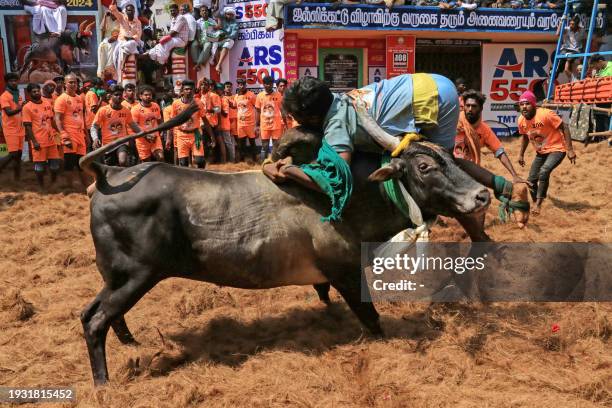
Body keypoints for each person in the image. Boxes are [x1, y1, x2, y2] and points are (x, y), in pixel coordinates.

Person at [263, 74, 528, 227]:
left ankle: (497, 206)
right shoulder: (339, 98)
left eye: (297, 117)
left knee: (446, 167)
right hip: (427, 82)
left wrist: (287, 171)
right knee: (445, 163)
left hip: (431, 100)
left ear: (310, 118)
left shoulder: (335, 126)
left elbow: (337, 183)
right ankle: (503, 186)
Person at [517, 91, 576, 215]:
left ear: (534, 105)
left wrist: (570, 149)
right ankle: (536, 203)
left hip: (557, 149)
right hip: (541, 153)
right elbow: (524, 137)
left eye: (527, 104)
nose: (524, 107)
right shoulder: (521, 120)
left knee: (544, 171)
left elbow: (564, 127)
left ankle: (538, 204)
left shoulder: (546, 114)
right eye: (521, 104)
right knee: (531, 181)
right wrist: (521, 154)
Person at [454, 90, 523, 181]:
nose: (470, 109)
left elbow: (499, 151)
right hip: (452, 167)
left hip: (471, 170)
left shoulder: (484, 130)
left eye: (474, 106)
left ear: (481, 108)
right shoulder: (454, 121)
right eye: (467, 105)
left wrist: (514, 175)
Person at [92, 84, 141, 167]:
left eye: (120, 95)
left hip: (122, 142)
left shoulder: (126, 111)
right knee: (112, 168)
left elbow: (133, 125)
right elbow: (94, 127)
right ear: (111, 96)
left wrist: (144, 134)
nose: (119, 97)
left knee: (122, 161)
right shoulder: (103, 110)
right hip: (108, 145)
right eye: (116, 95)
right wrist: (95, 138)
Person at [22, 83, 60, 188]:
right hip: (39, 141)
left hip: (51, 140)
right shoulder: (27, 107)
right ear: (29, 94)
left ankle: (53, 184)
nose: (37, 93)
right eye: (34, 91)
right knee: (40, 166)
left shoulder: (47, 103)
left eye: (38, 90)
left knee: (55, 165)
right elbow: (28, 126)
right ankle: (41, 186)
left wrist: (59, 132)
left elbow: (52, 121)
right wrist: (34, 142)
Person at [54, 73, 87, 188]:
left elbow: (82, 117)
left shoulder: (79, 98)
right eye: (70, 82)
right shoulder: (61, 99)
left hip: (80, 134)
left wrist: (86, 135)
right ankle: (69, 188)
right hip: (69, 134)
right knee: (70, 162)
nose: (73, 84)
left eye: (75, 82)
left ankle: (85, 186)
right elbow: (57, 119)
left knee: (82, 163)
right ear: (65, 84)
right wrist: (64, 135)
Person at [171, 80, 213, 168]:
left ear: (194, 90)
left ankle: (202, 177)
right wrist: (169, 137)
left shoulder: (198, 103)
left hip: (196, 135)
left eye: (191, 89)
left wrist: (212, 136)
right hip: (181, 135)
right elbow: (173, 121)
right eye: (186, 89)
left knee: (199, 160)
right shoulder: (175, 104)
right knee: (183, 163)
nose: (188, 91)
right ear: (182, 90)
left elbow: (205, 120)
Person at [109, 0, 142, 83]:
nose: (130, 12)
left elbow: (138, 35)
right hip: (121, 42)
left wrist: (130, 38)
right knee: (112, 54)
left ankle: (124, 64)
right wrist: (113, 1)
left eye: (131, 10)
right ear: (125, 11)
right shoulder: (122, 17)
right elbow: (114, 10)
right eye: (128, 10)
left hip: (133, 42)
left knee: (131, 44)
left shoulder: (138, 22)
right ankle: (116, 75)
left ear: (134, 11)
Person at [0, 72, 25, 181]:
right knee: (13, 154)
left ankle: (17, 178)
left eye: (15, 80)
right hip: (10, 129)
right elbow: (9, 112)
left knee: (18, 156)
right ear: (7, 82)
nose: (14, 83)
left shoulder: (17, 95)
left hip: (20, 128)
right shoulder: (4, 96)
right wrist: (21, 108)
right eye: (11, 81)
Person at [131, 85, 164, 162]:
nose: (148, 96)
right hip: (142, 140)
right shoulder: (135, 109)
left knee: (161, 158)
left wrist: (160, 131)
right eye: (146, 95)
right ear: (140, 96)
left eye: (150, 95)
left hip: (155, 138)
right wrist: (145, 136)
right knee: (146, 163)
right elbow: (134, 126)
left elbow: (159, 120)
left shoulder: (156, 106)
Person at [256, 75, 284, 161]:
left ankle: (275, 162)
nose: (268, 85)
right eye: (266, 84)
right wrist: (257, 125)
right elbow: (257, 111)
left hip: (276, 124)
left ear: (273, 84)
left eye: (270, 84)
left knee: (276, 145)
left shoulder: (278, 95)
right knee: (264, 145)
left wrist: (285, 121)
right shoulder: (260, 96)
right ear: (263, 84)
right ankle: (263, 163)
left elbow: (282, 109)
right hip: (264, 125)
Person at [199, 79, 224, 161]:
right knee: (204, 144)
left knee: (215, 145)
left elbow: (218, 110)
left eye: (205, 85)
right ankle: (207, 163)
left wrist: (210, 110)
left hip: (212, 124)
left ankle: (221, 163)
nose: (203, 86)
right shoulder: (202, 96)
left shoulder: (214, 96)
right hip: (203, 124)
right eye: (201, 85)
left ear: (208, 87)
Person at [235, 78, 258, 162]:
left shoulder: (251, 95)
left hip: (250, 124)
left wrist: (257, 124)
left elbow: (257, 107)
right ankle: (242, 161)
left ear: (245, 85)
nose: (241, 86)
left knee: (252, 142)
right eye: (239, 84)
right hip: (240, 124)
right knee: (241, 144)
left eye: (242, 84)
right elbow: (235, 106)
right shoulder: (236, 96)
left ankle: (255, 160)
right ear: (237, 85)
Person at [212, 7, 238, 74]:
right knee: (215, 45)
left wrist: (224, 36)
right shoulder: (221, 20)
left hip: (228, 39)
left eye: (231, 14)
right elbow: (215, 14)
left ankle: (219, 64)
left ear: (233, 15)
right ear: (225, 14)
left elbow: (233, 35)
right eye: (228, 14)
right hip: (220, 39)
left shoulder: (235, 23)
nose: (229, 16)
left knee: (228, 43)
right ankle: (218, 65)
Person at [192, 6, 216, 71]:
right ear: (200, 13)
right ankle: (196, 62)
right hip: (201, 39)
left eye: (206, 10)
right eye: (202, 11)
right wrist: (199, 41)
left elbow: (216, 31)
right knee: (194, 44)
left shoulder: (212, 21)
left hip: (209, 40)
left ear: (208, 12)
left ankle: (198, 64)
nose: (204, 12)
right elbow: (198, 32)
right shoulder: (198, 22)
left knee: (208, 45)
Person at [216, 82, 235, 162]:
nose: (218, 91)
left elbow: (225, 114)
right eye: (217, 89)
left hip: (224, 125)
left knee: (228, 143)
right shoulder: (216, 98)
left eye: (220, 89)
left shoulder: (224, 99)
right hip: (217, 125)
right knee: (221, 144)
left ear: (222, 90)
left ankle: (232, 161)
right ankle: (223, 160)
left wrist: (217, 109)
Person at [223, 81, 239, 159]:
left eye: (230, 87)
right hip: (225, 121)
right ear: (224, 88)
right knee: (228, 141)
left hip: (234, 121)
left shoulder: (235, 96)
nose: (229, 88)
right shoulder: (222, 97)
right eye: (227, 87)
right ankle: (231, 158)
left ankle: (237, 158)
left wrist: (229, 103)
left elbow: (234, 106)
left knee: (236, 140)